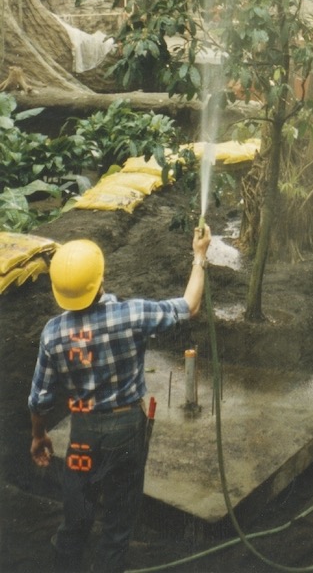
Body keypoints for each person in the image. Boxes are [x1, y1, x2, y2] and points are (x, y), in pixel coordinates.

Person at [28, 225, 212, 573]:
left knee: (77, 513)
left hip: (83, 434)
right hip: (127, 429)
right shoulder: (132, 315)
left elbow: (39, 399)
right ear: (99, 281)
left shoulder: (53, 333)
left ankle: (67, 561)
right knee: (118, 522)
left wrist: (39, 436)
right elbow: (190, 306)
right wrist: (199, 256)